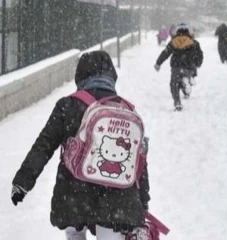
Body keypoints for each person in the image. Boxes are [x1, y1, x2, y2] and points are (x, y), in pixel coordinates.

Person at [10, 51, 151, 239]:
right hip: (117, 201)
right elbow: (139, 161)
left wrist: (23, 182)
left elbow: (44, 145)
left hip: (74, 193)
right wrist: (142, 201)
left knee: (75, 233)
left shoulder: (67, 105)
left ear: (80, 76)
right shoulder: (125, 110)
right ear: (112, 77)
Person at [154, 23, 204, 111]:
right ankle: (188, 81)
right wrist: (197, 64)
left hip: (176, 66)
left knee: (174, 84)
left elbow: (165, 53)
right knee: (185, 76)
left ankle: (177, 103)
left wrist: (158, 63)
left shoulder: (174, 41)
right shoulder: (194, 42)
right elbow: (199, 55)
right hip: (189, 66)